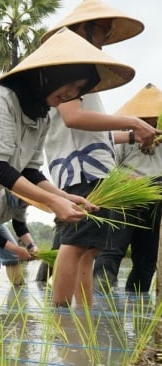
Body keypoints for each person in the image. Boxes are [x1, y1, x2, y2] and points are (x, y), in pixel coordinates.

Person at [0, 27, 134, 328]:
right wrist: (52, 204)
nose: (70, 95)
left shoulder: (42, 115)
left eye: (77, 91)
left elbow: (31, 171)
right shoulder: (1, 99)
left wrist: (64, 196)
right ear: (48, 76)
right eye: (68, 86)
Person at [37, 0, 159, 308]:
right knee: (75, 244)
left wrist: (133, 134)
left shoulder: (84, 73)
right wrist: (131, 121)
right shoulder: (69, 67)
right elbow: (73, 118)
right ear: (83, 29)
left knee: (89, 249)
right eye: (103, 31)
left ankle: (85, 316)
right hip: (81, 170)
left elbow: (97, 132)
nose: (105, 39)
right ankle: (63, 316)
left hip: (94, 169)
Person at [93, 83, 162, 293]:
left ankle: (136, 306)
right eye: (144, 120)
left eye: (153, 120)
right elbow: (109, 169)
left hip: (155, 201)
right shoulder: (125, 139)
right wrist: (129, 179)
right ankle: (100, 305)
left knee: (146, 259)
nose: (149, 124)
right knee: (113, 251)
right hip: (126, 199)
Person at [0, 189, 39, 287]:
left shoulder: (22, 203)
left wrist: (32, 246)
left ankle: (19, 289)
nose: (31, 205)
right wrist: (17, 250)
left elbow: (19, 226)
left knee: (13, 255)